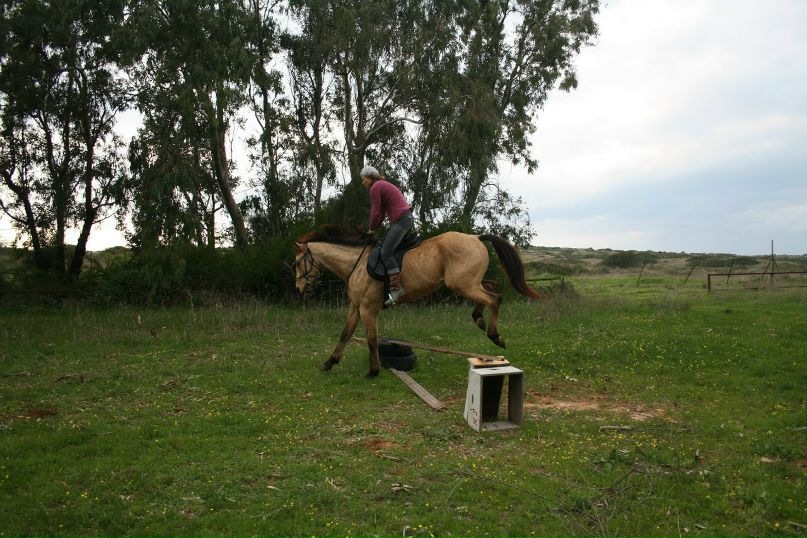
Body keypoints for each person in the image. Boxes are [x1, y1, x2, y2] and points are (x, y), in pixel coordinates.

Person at [360, 165, 415, 306]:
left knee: (385, 252)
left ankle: (396, 290)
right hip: (404, 219)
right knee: (388, 247)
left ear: (370, 177)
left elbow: (375, 212)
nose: (363, 182)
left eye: (364, 178)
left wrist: (371, 229)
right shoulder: (381, 185)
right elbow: (381, 213)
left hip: (401, 220)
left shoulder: (375, 187)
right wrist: (373, 229)